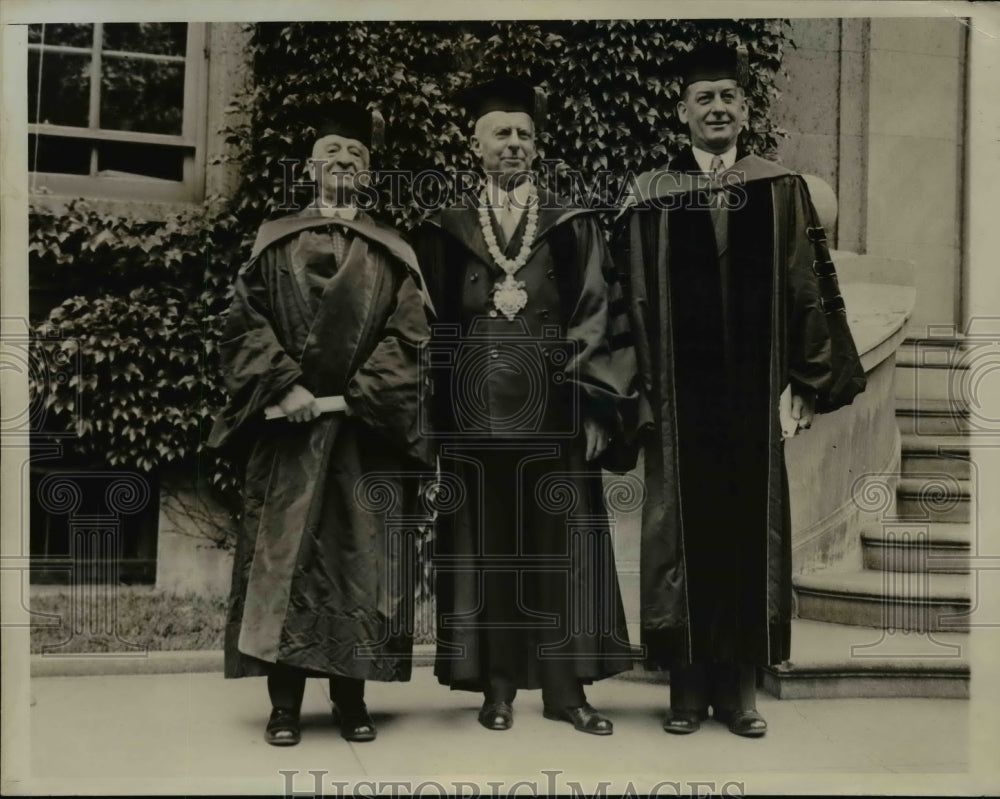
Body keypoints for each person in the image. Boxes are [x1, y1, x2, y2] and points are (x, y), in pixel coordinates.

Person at [612, 44, 866, 737]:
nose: (717, 108)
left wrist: (809, 381)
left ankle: (741, 691)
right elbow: (627, 303)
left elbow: (805, 288)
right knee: (681, 543)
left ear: (745, 109)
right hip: (677, 403)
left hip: (753, 401)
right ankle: (687, 692)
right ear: (683, 109)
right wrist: (635, 396)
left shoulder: (780, 191)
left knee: (750, 534)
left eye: (729, 96)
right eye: (704, 97)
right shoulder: (650, 197)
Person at [415, 78, 639, 736]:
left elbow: (596, 312)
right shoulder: (447, 229)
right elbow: (429, 324)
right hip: (473, 418)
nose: (513, 144)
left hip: (554, 413)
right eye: (500, 133)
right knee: (490, 551)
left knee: (561, 550)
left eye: (523, 134)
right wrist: (435, 417)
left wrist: (594, 404)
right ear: (475, 144)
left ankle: (567, 691)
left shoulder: (572, 225)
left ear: (537, 146)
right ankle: (498, 686)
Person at [207, 100, 435, 746]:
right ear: (310, 165)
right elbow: (241, 323)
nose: (343, 162)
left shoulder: (393, 252)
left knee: (359, 564)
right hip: (290, 432)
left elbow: (410, 336)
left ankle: (351, 700)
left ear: (369, 173)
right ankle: (285, 705)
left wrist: (357, 395)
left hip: (363, 438)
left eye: (356, 155)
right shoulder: (273, 239)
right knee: (286, 563)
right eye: (332, 151)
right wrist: (286, 383)